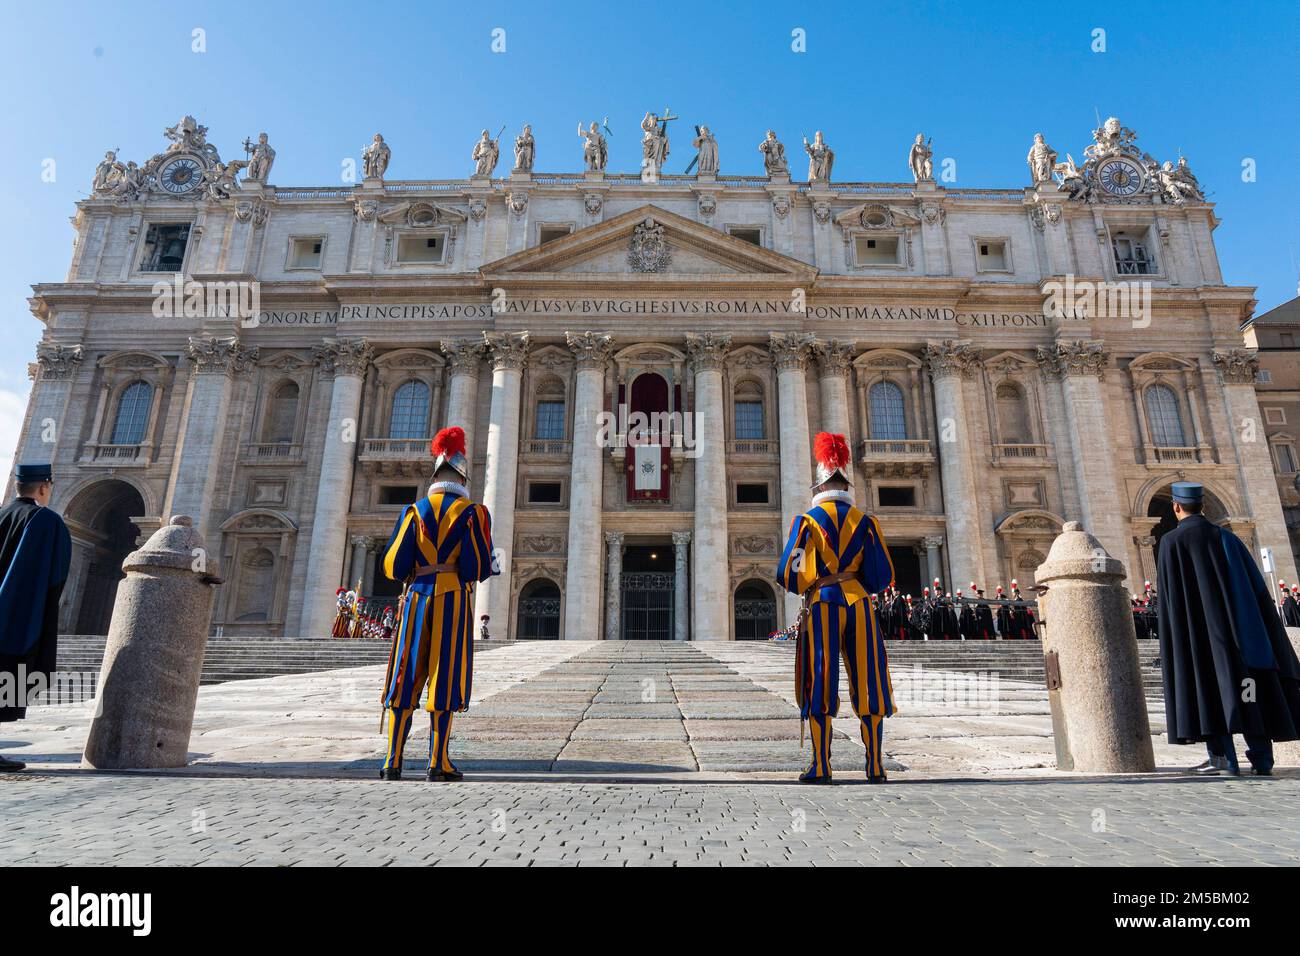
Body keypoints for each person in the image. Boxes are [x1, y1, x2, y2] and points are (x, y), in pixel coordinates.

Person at [1156, 482, 1300, 776]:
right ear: (1203, 506)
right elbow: (1257, 592)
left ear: (1176, 506)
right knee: (1250, 695)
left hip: (1201, 645)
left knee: (1210, 693)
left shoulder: (1171, 543)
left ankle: (1223, 759)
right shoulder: (1228, 539)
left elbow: (1171, 604)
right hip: (1243, 642)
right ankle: (1262, 759)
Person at [378, 427, 496, 782]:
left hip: (415, 600)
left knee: (405, 673)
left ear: (435, 474)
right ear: (462, 475)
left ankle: (392, 761)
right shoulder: (474, 512)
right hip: (453, 600)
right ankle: (437, 762)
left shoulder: (413, 511)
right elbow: (478, 566)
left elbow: (394, 565)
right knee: (446, 677)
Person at [777, 432, 895, 784]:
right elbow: (881, 575)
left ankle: (822, 766)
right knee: (869, 678)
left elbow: (788, 571)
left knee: (820, 678)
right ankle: (874, 765)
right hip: (859, 604)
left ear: (819, 488)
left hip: (824, 604)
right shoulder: (867, 522)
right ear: (845, 486)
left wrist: (807, 584)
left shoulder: (807, 521)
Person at [0, 463, 72, 772]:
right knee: (7, 681)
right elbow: (54, 574)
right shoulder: (45, 520)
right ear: (43, 488)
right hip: (16, 618)